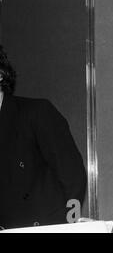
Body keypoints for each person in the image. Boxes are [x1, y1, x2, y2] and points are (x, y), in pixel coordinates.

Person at [0, 45, 87, 230]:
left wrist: (70, 223)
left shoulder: (35, 112)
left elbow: (72, 173)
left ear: (1, 74)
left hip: (45, 224)